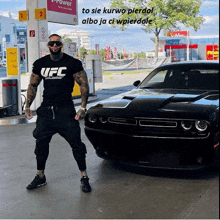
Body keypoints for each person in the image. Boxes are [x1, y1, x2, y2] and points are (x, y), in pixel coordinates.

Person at [25, 34, 91, 193]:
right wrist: (27, 106)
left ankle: (84, 177)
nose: (54, 46)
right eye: (51, 43)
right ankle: (40, 176)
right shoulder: (40, 64)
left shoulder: (72, 63)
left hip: (65, 110)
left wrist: (82, 107)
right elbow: (33, 85)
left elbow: (83, 84)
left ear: (62, 45)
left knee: (77, 145)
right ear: (48, 45)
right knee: (40, 144)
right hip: (46, 110)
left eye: (57, 43)